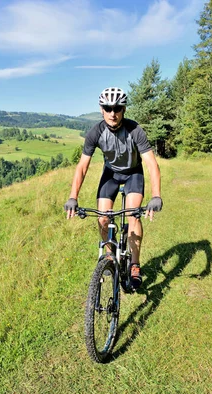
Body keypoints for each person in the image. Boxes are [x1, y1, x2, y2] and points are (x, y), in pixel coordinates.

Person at [64, 87, 162, 289]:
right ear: (101, 109)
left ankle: (135, 264)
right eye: (108, 108)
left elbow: (151, 164)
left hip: (134, 172)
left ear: (123, 109)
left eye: (117, 108)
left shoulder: (135, 130)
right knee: (102, 217)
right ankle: (111, 257)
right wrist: (73, 197)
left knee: (133, 215)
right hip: (111, 174)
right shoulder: (96, 132)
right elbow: (82, 166)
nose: (112, 113)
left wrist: (156, 195)